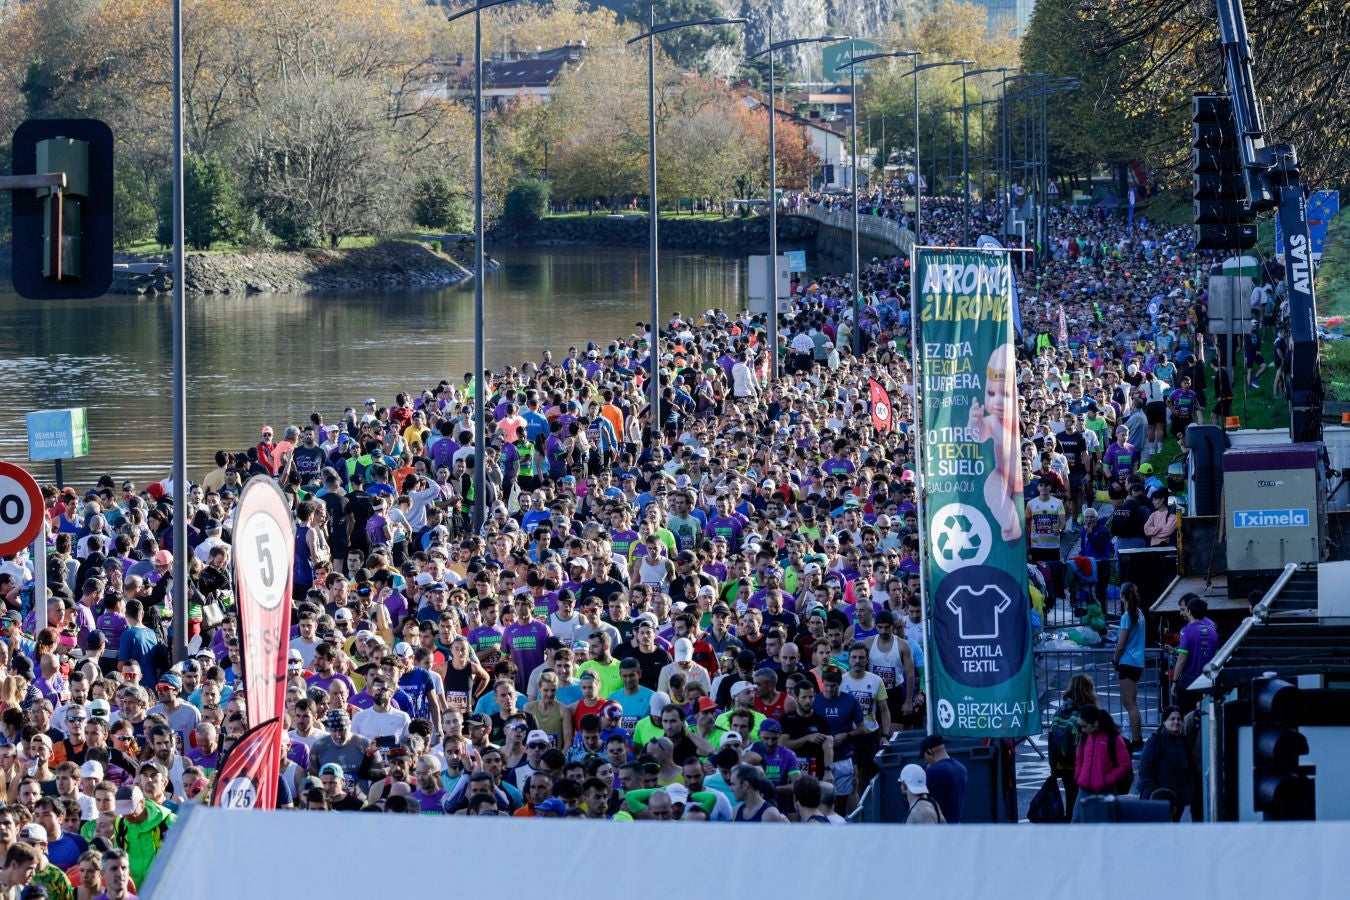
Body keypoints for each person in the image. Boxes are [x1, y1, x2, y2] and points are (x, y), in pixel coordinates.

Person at [1070, 705, 1132, 821]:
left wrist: (1106, 780)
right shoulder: (1085, 737)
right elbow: (1079, 758)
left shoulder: (1113, 738)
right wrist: (1079, 776)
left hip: (1105, 791)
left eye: (1084, 726)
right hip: (1084, 789)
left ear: (1095, 723)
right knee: (1076, 823)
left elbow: (1125, 765)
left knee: (1104, 827)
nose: (1082, 730)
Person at [1137, 706, 1195, 821]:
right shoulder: (1155, 741)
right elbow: (1144, 769)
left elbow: (1190, 769)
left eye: (1179, 719)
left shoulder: (1184, 742)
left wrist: (1188, 792)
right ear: (1164, 722)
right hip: (1157, 801)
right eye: (1172, 719)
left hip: (1177, 801)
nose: (1176, 722)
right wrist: (1154, 793)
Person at [1113, 582, 1146, 749]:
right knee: (1133, 703)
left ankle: (1136, 740)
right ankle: (1138, 737)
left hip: (1127, 662)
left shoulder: (1127, 617)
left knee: (1129, 703)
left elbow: (1121, 643)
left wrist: (1114, 660)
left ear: (1122, 596)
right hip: (1138, 662)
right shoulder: (1139, 614)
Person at [1172, 596, 1218, 713]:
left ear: (1189, 611)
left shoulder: (1185, 631)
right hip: (1208, 681)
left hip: (1189, 682)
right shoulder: (1213, 632)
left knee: (1187, 716)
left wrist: (1175, 681)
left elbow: (1182, 659)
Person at [920, 735, 967, 824]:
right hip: (955, 824)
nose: (925, 760)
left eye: (924, 756)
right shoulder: (961, 768)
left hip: (938, 829)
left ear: (929, 751)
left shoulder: (933, 771)